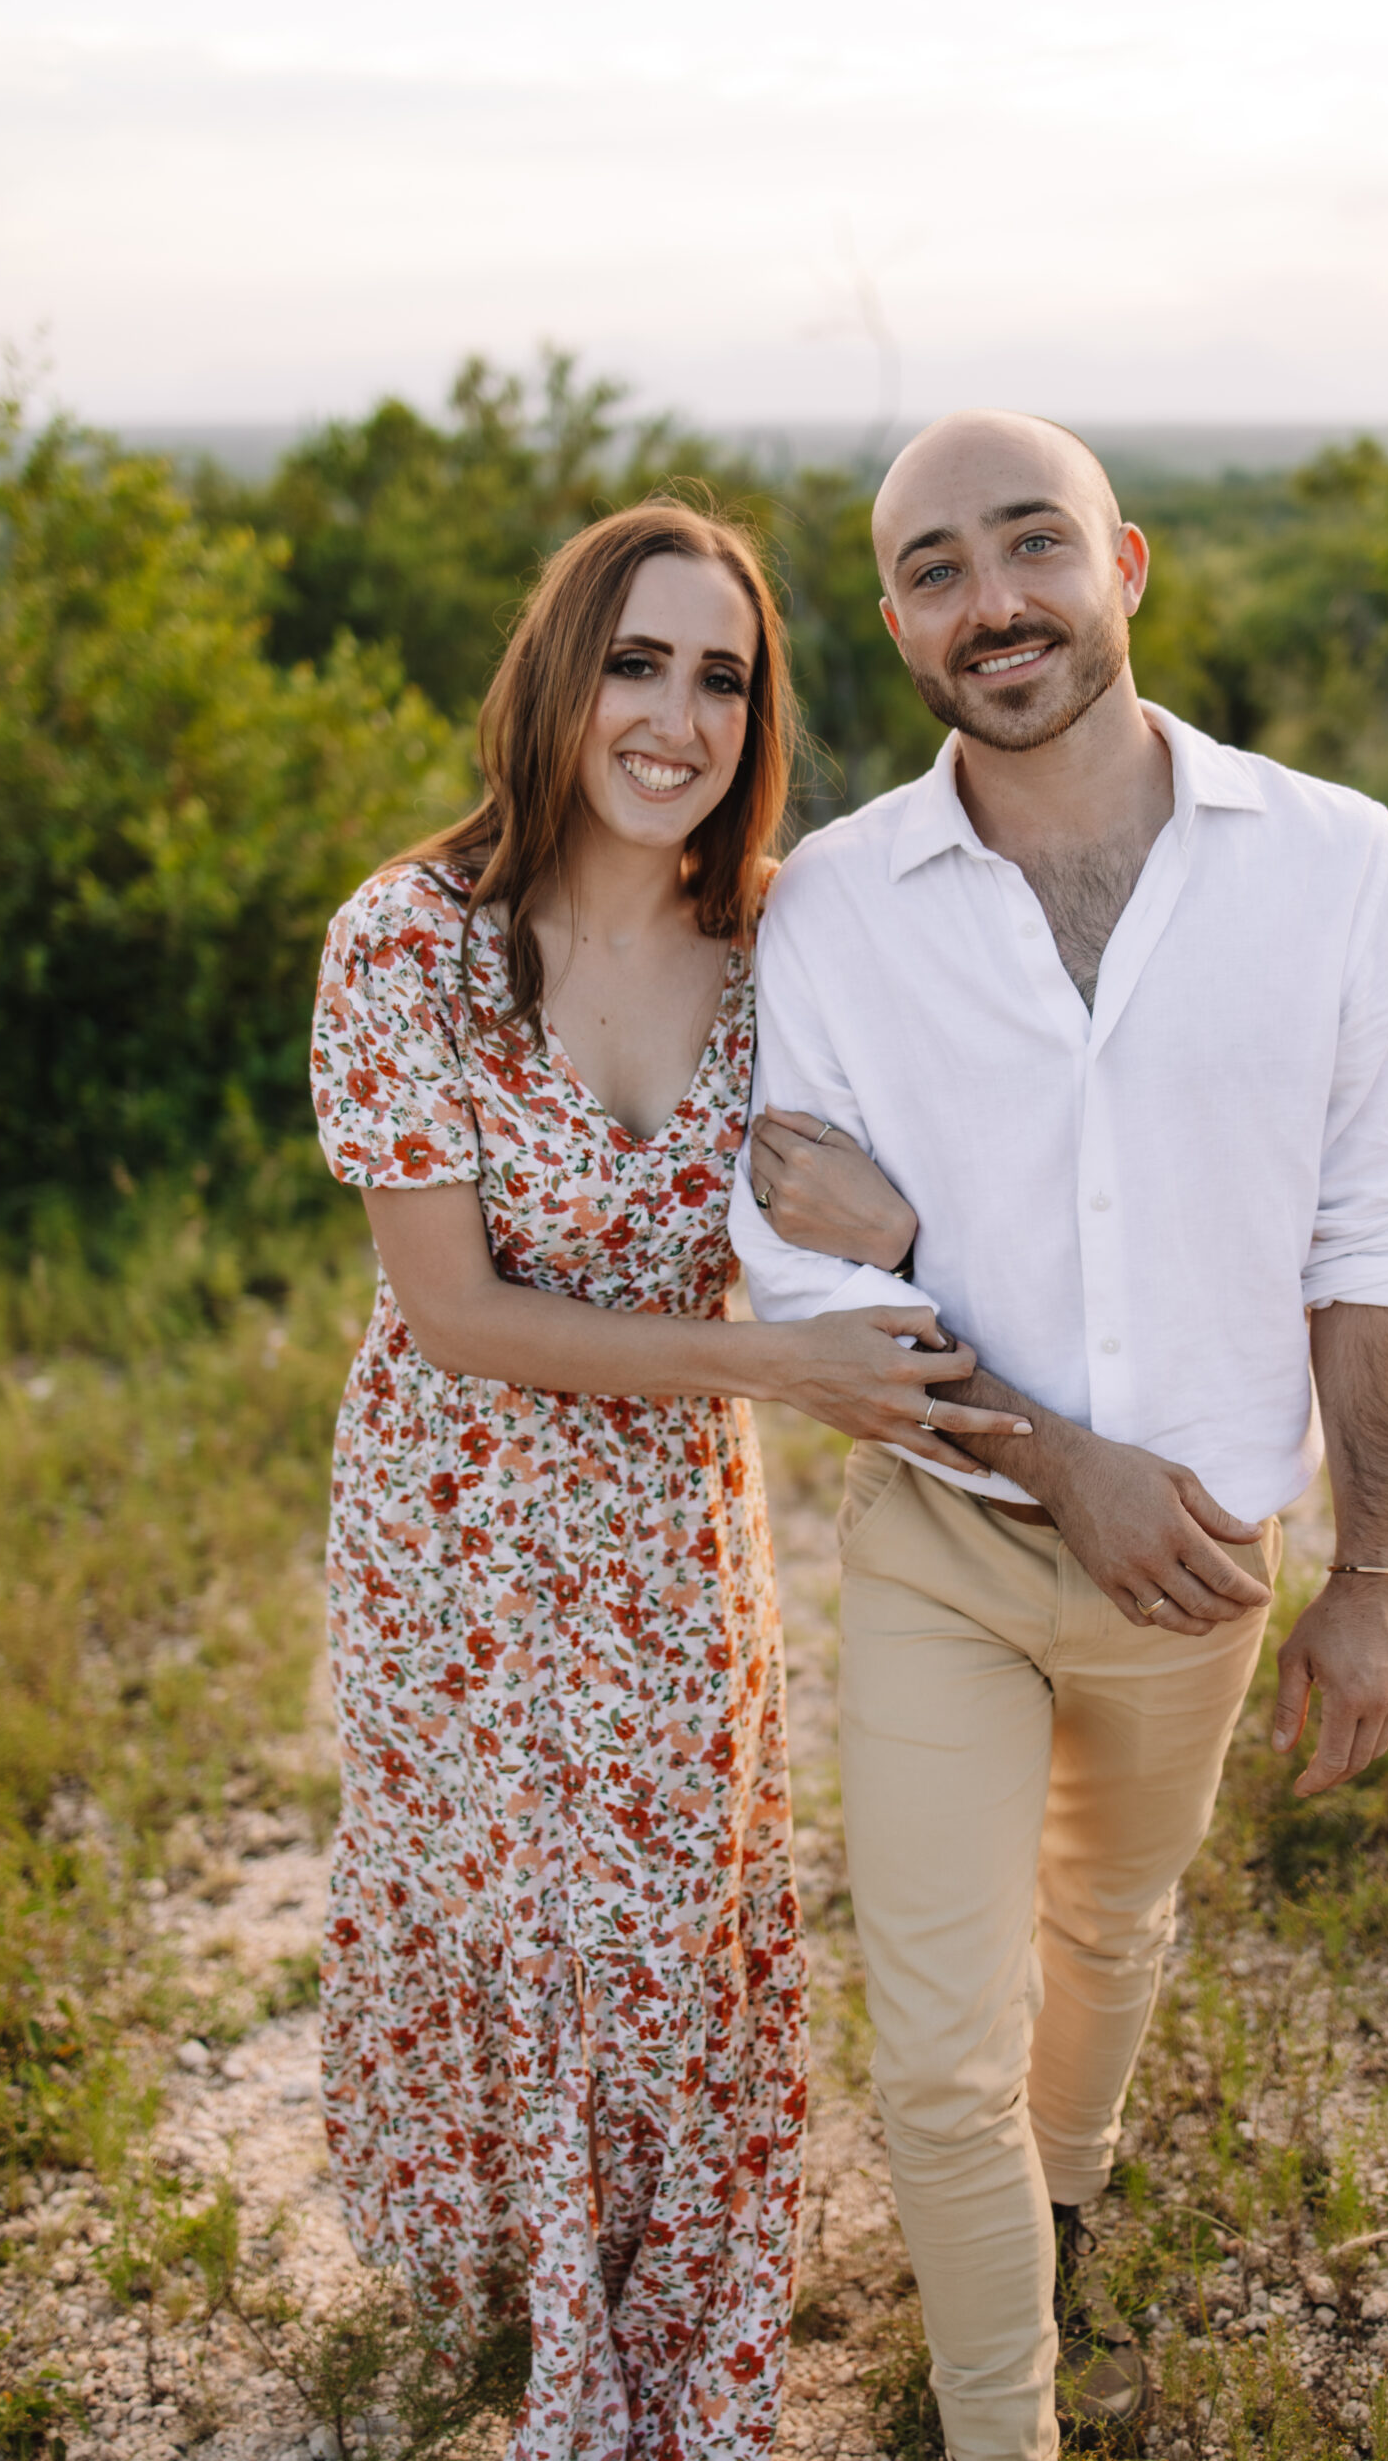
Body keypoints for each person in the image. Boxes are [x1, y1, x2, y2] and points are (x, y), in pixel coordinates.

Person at [730, 414, 1388, 2459]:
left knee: (1108, 1931)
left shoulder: (1333, 859)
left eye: (1029, 542)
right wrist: (1057, 1458)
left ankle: (1054, 2203)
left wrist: (1372, 1579)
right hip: (942, 1530)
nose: (992, 599)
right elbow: (805, 1282)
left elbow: (1371, 1220)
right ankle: (997, 2418)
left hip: (1205, 1555)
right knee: (935, 2050)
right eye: (937, 568)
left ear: (1122, 559)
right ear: (895, 623)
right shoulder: (836, 908)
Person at [308, 499, 1029, 2461]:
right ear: (559, 674)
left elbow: (990, 1065)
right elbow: (453, 1312)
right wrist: (775, 1366)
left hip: (660, 1531)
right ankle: (524, 2274)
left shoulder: (782, 934)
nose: (676, 713)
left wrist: (886, 1236)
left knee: (666, 1904)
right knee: (514, 1902)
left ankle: (665, 2261)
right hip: (457, 1514)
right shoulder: (410, 943)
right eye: (637, 658)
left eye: (721, 675)